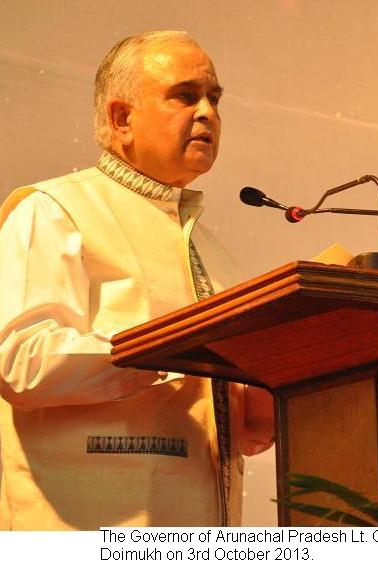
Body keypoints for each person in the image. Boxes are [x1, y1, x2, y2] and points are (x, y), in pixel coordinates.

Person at [0, 31, 274, 529]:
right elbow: (21, 361)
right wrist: (166, 349)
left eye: (214, 98)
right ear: (121, 118)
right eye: (186, 96)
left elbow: (243, 430)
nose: (208, 112)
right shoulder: (54, 210)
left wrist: (278, 383)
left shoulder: (210, 251)